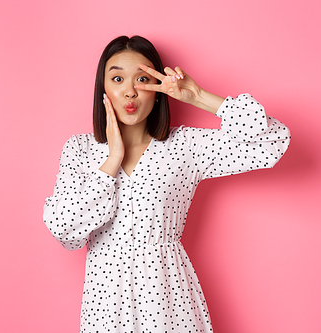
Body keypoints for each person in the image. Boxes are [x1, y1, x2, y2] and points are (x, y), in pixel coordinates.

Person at [43, 35, 290, 332]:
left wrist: (197, 96)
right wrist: (112, 161)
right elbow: (64, 229)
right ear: (103, 89)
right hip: (105, 301)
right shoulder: (80, 151)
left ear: (158, 91)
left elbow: (273, 141)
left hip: (168, 297)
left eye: (143, 79)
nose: (130, 92)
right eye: (118, 78)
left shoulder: (184, 146)